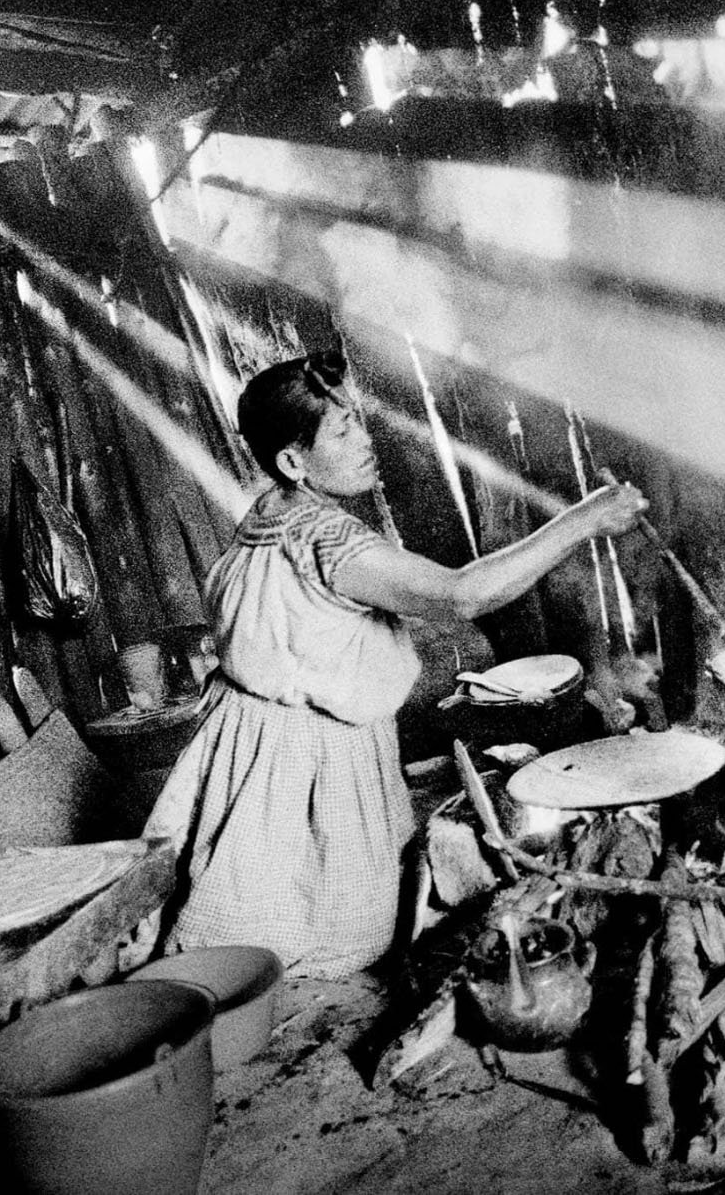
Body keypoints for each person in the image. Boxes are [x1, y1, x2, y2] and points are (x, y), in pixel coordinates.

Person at [143, 350, 650, 976]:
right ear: (292, 461)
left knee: (249, 918)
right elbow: (464, 594)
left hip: (246, 746)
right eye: (341, 430)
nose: (363, 439)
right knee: (333, 937)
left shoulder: (267, 517)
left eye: (357, 418)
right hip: (303, 765)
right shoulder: (328, 541)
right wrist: (585, 519)